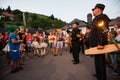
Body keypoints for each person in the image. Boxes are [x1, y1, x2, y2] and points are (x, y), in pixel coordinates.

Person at [90, 3, 110, 80]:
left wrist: (100, 43)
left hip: (99, 44)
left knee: (100, 63)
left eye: (94, 9)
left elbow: (103, 31)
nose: (93, 11)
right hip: (96, 44)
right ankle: (99, 75)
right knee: (97, 62)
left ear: (98, 9)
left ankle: (101, 77)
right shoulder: (96, 18)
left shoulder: (102, 18)